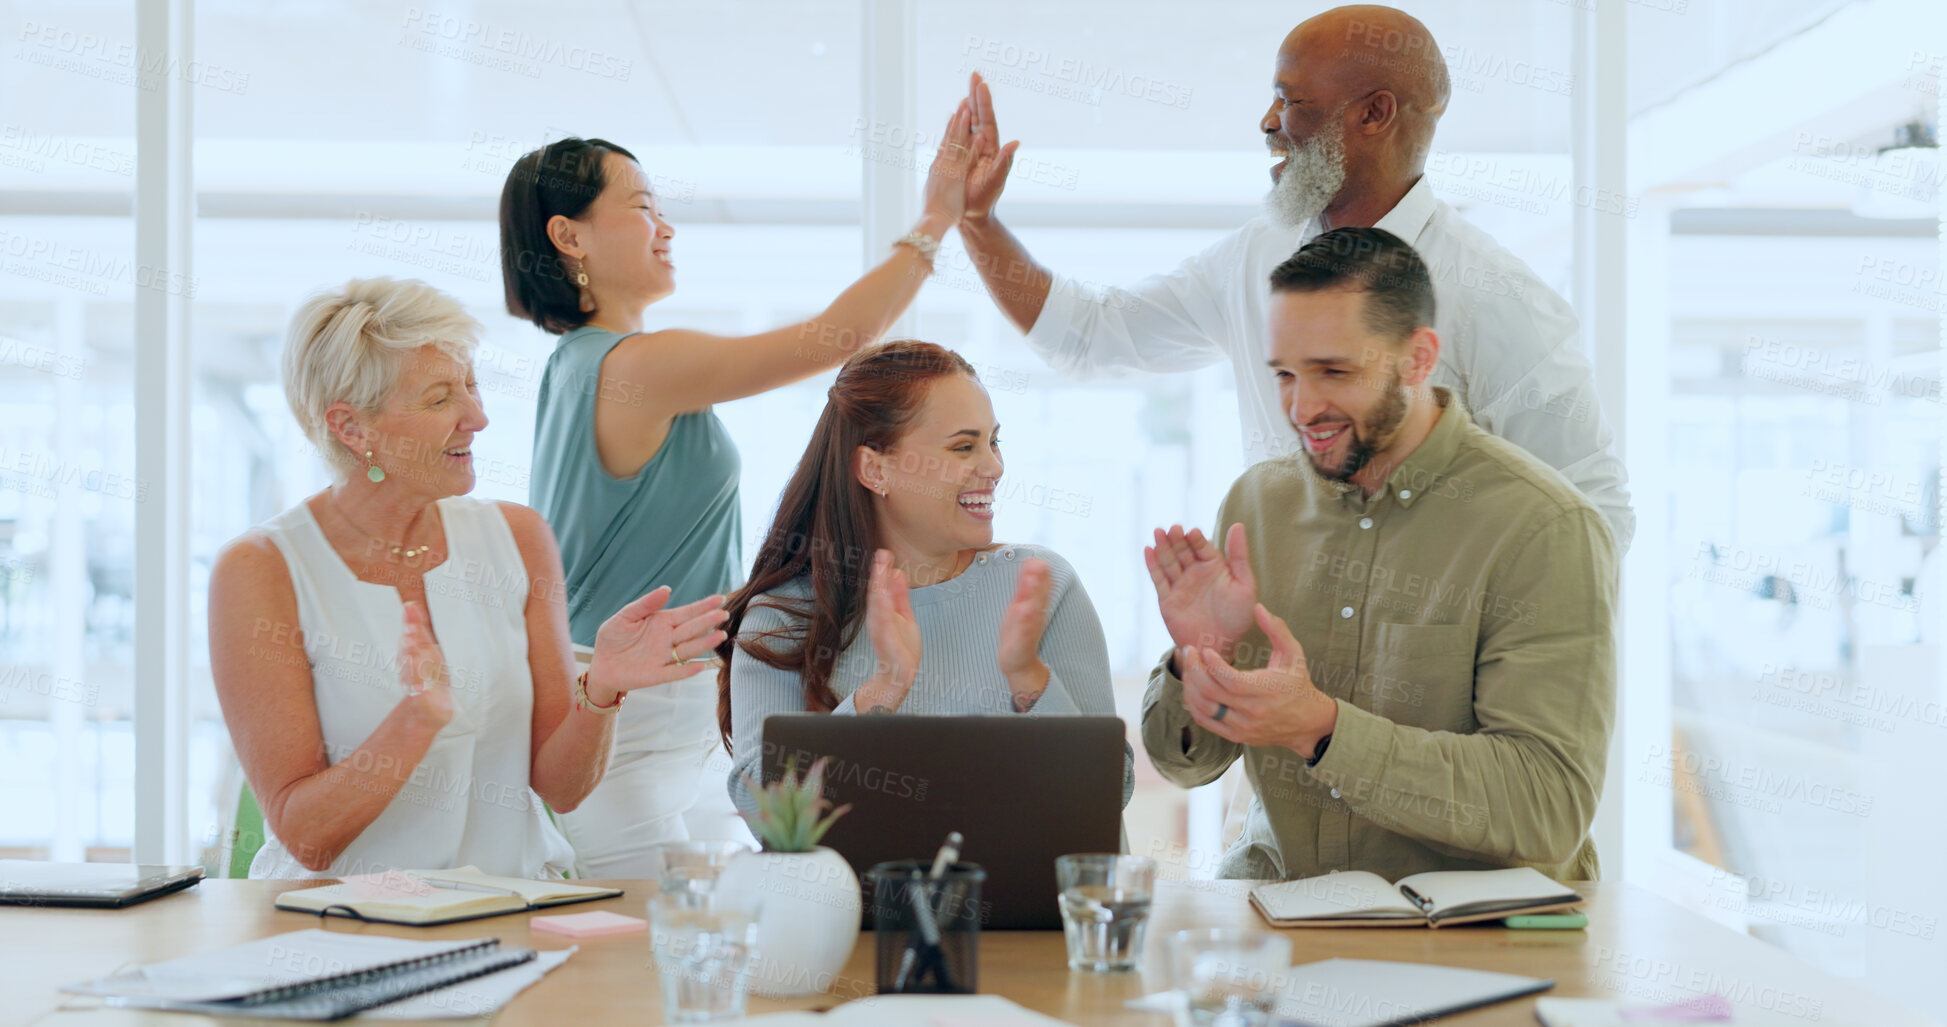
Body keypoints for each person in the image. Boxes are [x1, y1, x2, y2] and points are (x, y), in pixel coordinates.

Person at [500, 106, 989, 875]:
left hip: (643, 705)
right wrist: (936, 219)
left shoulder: (575, 367)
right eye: (639, 207)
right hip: (637, 715)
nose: (663, 227)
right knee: (652, 957)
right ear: (569, 236)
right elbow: (836, 339)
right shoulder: (632, 366)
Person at [953, 4, 1634, 548]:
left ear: (1373, 114)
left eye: (1291, 101)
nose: (1267, 122)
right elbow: (1091, 336)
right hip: (1287, 654)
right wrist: (977, 224)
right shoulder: (1256, 254)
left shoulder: (1498, 297)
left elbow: (1592, 518)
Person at [207, 277, 729, 879]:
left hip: (512, 915)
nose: (476, 418)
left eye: (471, 386)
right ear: (352, 429)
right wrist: (416, 721)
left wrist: (602, 687)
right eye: (438, 400)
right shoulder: (260, 570)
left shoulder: (518, 539)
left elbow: (561, 789)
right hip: (343, 930)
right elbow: (306, 837)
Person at [1142, 228, 1618, 881]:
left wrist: (1323, 728)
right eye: (1284, 374)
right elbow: (1184, 763)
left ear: (1418, 359)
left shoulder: (1543, 528)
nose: (1302, 408)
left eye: (1335, 371)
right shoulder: (1256, 505)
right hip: (1284, 921)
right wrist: (1205, 660)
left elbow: (1545, 807)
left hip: (1471, 944)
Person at [718, 341, 1132, 814]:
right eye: (963, 447)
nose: (994, 468)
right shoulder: (784, 614)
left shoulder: (1042, 585)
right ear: (875, 468)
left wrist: (1029, 680)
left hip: (1037, 892)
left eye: (993, 442)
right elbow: (764, 814)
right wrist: (883, 690)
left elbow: (1110, 793)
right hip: (858, 892)